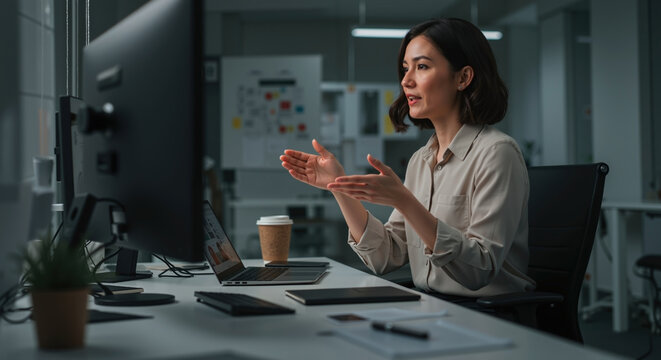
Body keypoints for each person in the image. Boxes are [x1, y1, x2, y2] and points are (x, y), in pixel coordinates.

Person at [280, 18, 535, 299]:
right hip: (434, 309)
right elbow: (385, 256)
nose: (406, 80)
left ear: (462, 78)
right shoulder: (420, 161)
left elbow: (478, 271)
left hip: (490, 316)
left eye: (422, 66)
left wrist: (404, 200)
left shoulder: (497, 153)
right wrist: (339, 188)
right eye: (405, 69)